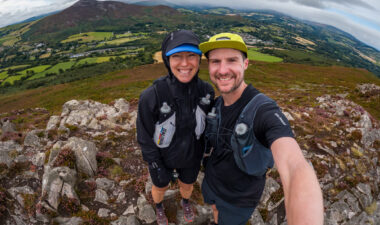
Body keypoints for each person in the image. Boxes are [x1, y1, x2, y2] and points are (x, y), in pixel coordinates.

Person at [199, 33, 323, 225]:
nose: (222, 70)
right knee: (215, 210)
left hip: (238, 200)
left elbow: (294, 166)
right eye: (215, 61)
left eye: (232, 60)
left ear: (245, 64)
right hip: (211, 183)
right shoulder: (215, 105)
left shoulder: (263, 110)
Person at [136, 30, 214, 225]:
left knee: (187, 185)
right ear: (167, 60)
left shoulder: (207, 91)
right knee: (159, 187)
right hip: (162, 158)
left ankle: (185, 201)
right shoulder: (152, 95)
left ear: (199, 59)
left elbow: (209, 125)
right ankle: (159, 207)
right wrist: (154, 163)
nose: (185, 63)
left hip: (192, 156)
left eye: (191, 56)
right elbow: (144, 135)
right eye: (177, 56)